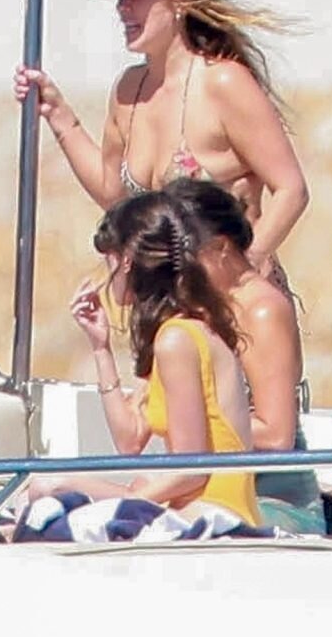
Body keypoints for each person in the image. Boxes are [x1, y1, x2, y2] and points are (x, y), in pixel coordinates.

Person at [13, 0, 308, 280]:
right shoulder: (128, 90)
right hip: (164, 299)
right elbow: (113, 195)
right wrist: (59, 116)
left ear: (180, 1)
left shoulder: (223, 82)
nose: (122, 7)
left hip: (235, 294)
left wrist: (242, 270)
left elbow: (291, 190)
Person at [25, 190, 260, 525]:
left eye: (108, 259)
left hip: (214, 512)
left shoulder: (177, 339)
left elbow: (192, 470)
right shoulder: (175, 332)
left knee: (48, 486)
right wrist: (101, 348)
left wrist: (129, 501)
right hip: (192, 507)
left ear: (126, 261)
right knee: (44, 489)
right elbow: (130, 440)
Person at [164, 177, 322, 532]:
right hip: (208, 493)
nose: (176, 273)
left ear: (221, 247)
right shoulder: (202, 309)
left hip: (272, 502)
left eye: (182, 258)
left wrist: (194, 423)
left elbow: (277, 435)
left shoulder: (262, 309)